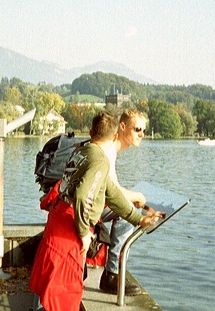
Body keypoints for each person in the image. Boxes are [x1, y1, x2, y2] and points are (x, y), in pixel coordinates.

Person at [29, 112, 160, 311]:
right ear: (116, 134)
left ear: (91, 132)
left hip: (59, 219)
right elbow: (83, 196)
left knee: (53, 288)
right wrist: (83, 234)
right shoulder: (100, 160)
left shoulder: (83, 149)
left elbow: (111, 192)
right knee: (63, 293)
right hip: (70, 228)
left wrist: (138, 219)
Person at [98, 109, 148, 295]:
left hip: (89, 203)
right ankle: (111, 275)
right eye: (137, 129)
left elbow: (111, 188)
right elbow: (112, 190)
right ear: (122, 126)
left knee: (128, 208)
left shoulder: (113, 147)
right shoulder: (110, 147)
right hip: (86, 207)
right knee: (128, 212)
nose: (142, 134)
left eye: (143, 130)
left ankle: (113, 271)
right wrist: (136, 197)